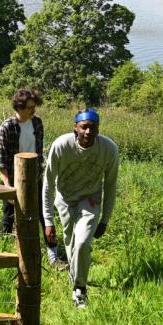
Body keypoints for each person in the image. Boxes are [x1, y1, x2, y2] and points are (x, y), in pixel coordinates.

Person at [43, 108, 119, 309]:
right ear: (75, 128)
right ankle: (75, 277)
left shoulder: (108, 149)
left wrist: (105, 219)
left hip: (90, 201)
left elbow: (111, 184)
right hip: (65, 200)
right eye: (84, 127)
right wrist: (48, 221)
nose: (88, 132)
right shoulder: (61, 146)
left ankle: (80, 290)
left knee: (83, 242)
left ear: (98, 129)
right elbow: (49, 183)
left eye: (93, 128)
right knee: (70, 244)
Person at [0, 88, 68, 268]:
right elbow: (0, 160)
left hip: (35, 179)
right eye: (29, 107)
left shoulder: (37, 123)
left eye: (34, 107)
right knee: (9, 216)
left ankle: (53, 257)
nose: (33, 110)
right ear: (19, 107)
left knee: (45, 215)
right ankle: (2, 255)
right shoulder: (7, 127)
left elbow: (40, 153)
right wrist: (7, 187)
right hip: (12, 180)